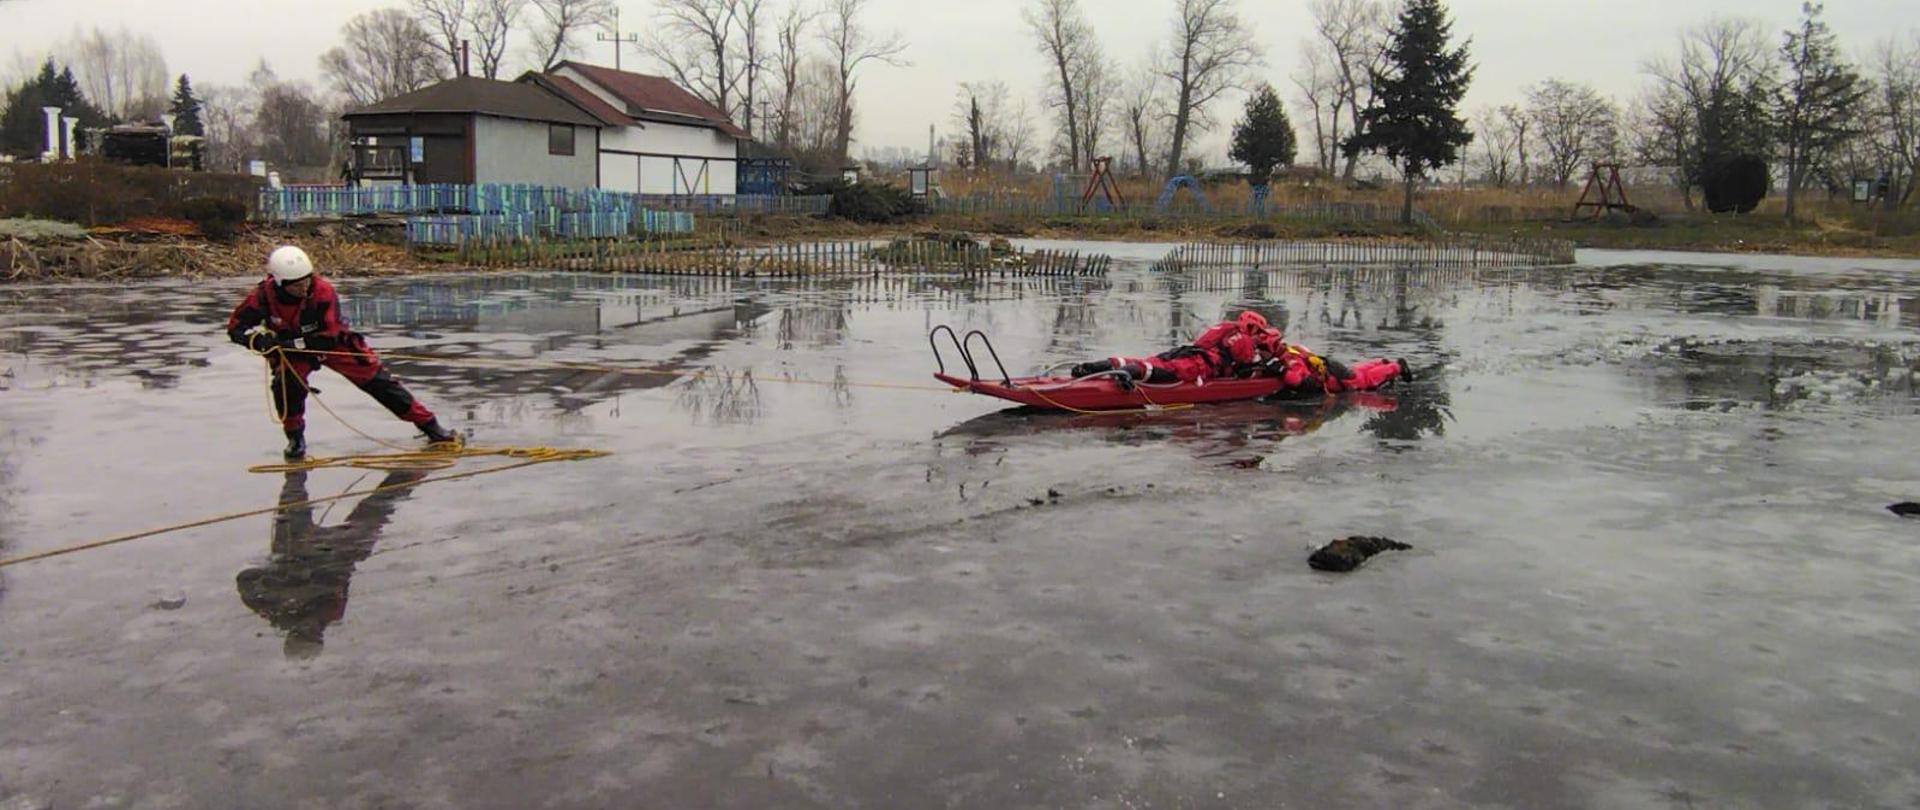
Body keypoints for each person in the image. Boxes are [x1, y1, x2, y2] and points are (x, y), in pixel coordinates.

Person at [226, 245, 459, 460]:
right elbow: (235, 328)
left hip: (331, 343)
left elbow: (328, 335)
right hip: (291, 351)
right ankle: (295, 438)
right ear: (279, 283)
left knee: (379, 382)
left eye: (306, 281)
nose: (303, 287)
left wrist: (290, 344)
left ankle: (429, 425)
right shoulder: (262, 297)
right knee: (286, 386)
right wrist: (258, 341)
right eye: (296, 285)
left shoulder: (323, 291)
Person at [236, 469, 426, 659]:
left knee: (294, 496)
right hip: (337, 550)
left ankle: (296, 454)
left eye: (303, 634)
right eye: (311, 635)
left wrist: (280, 574)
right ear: (319, 636)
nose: (308, 629)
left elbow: (245, 578)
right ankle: (411, 472)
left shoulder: (275, 611)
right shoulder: (328, 613)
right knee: (376, 508)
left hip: (297, 545)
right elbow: (342, 580)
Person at [1070, 311, 1283, 386]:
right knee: (1165, 373)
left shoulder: (1224, 327)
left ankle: (1093, 367)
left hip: (1186, 352)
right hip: (1199, 366)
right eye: (1258, 331)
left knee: (1149, 361)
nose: (1258, 337)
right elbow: (1244, 370)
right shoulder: (1243, 339)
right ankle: (1126, 374)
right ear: (1252, 326)